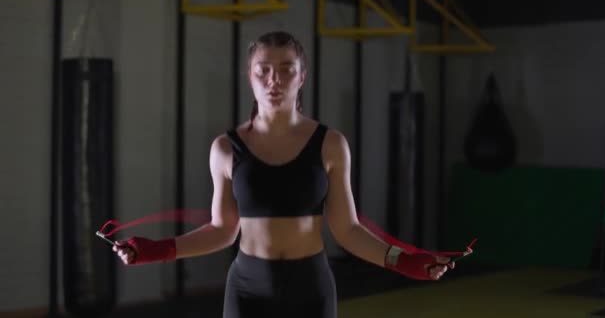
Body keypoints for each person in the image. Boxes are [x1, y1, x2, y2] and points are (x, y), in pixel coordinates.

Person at [113, 31, 463, 318]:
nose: (274, 80)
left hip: (310, 289)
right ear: (249, 76)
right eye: (263, 70)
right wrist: (154, 250)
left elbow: (348, 229)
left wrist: (403, 261)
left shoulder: (330, 144)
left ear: (302, 76)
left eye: (286, 69)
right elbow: (222, 230)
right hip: (247, 291)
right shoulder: (225, 148)